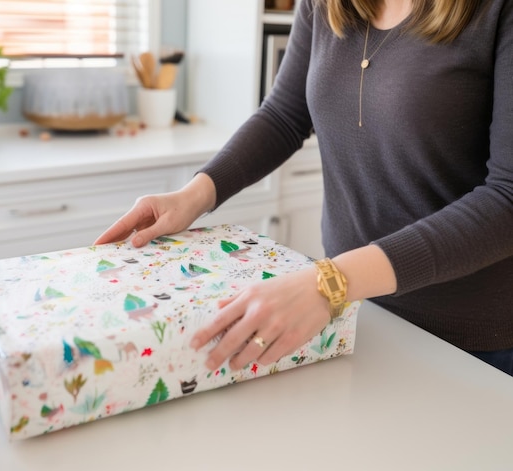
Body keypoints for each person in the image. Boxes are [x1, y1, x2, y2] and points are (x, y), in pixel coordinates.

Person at [96, 0, 513, 376]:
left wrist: (331, 281)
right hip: (350, 313)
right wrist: (192, 196)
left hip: (467, 337)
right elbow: (284, 115)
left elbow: (506, 199)